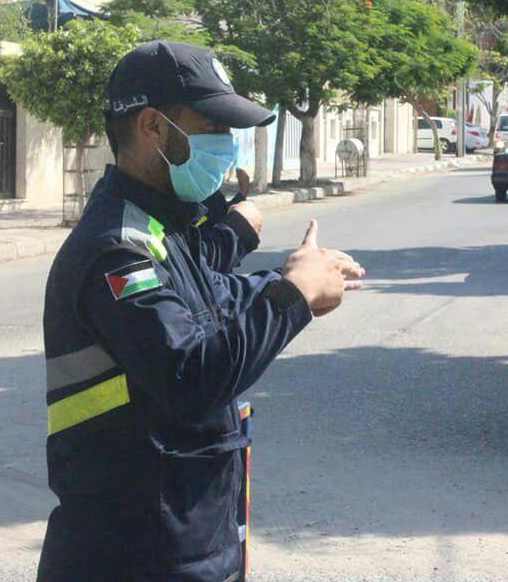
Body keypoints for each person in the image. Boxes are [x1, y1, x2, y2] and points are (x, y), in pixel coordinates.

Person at [37, 40, 364, 581]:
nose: (227, 144)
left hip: (184, 539)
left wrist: (294, 278)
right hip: (132, 554)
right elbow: (190, 373)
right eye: (211, 125)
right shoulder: (117, 249)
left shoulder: (162, 230)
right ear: (152, 127)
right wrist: (293, 298)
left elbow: (213, 299)